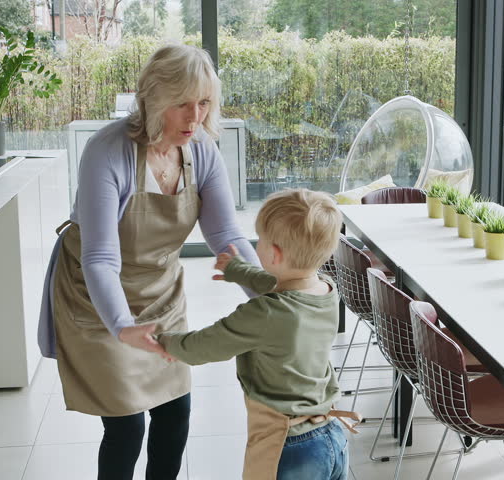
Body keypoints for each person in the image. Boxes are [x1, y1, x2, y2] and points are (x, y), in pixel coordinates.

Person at [36, 44, 259, 480]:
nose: (194, 117)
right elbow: (100, 256)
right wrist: (122, 325)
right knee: (126, 425)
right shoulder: (108, 151)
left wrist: (275, 294)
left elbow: (227, 237)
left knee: (176, 413)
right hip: (95, 297)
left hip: (161, 294)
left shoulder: (202, 152)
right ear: (152, 99)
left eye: (204, 103)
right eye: (181, 104)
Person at [153, 189, 357, 480]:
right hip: (332, 436)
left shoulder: (265, 314)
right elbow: (284, 285)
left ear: (274, 254)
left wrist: (164, 341)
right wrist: (241, 271)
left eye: (260, 240)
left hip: (289, 446)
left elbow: (204, 346)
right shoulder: (325, 289)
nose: (257, 244)